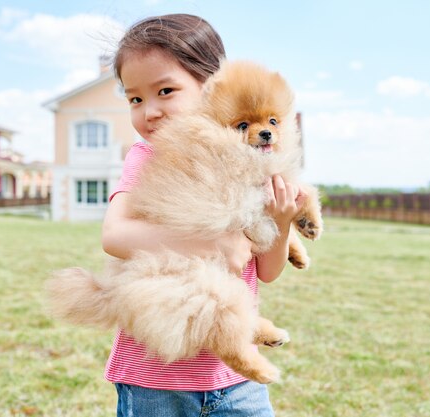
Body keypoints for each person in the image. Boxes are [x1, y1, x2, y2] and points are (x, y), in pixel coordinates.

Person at [101, 13, 305, 417]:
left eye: (165, 91)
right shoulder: (148, 156)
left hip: (235, 380)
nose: (150, 111)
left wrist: (281, 226)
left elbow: (266, 272)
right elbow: (114, 235)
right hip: (154, 375)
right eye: (135, 99)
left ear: (212, 89)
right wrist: (212, 244)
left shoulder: (253, 157)